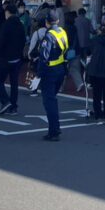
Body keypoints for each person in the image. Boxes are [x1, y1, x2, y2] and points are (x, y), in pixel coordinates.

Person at [38, 11, 69, 141]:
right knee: (52, 99)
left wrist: (38, 74)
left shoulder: (49, 36)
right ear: (58, 21)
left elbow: (43, 57)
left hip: (50, 71)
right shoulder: (62, 32)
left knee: (49, 101)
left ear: (47, 22)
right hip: (60, 69)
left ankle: (54, 131)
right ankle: (54, 129)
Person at [0, 4, 26, 116]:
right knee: (14, 83)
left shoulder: (6, 25)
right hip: (17, 58)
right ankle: (13, 107)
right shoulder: (20, 24)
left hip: (6, 58)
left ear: (7, 12)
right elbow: (23, 40)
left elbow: (1, 41)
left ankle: (5, 101)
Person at [87, 24, 105, 124]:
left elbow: (88, 51)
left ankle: (98, 116)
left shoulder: (94, 40)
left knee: (97, 95)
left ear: (99, 31)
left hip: (96, 70)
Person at [63, 11, 85, 93]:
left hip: (66, 52)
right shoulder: (74, 28)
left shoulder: (65, 29)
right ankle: (79, 83)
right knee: (74, 69)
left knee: (63, 69)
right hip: (76, 50)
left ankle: (60, 86)